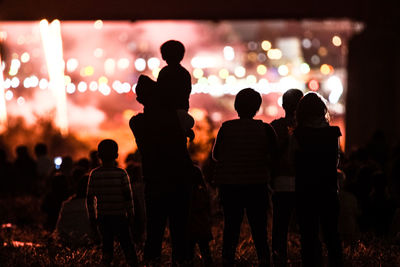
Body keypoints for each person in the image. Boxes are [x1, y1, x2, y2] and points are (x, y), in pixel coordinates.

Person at [130, 76, 194, 265]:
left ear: (140, 100)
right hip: (180, 177)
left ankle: (152, 261)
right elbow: (189, 122)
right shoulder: (179, 117)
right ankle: (181, 261)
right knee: (180, 228)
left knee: (154, 229)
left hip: (154, 178)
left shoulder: (137, 122)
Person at [212, 88, 278, 267]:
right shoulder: (265, 129)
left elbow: (216, 155)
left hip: (230, 185)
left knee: (231, 226)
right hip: (257, 184)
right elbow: (275, 155)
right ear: (257, 107)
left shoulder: (226, 128)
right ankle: (264, 259)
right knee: (259, 227)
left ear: (236, 107)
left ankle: (227, 259)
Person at [293, 92, 343, 267]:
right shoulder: (333, 133)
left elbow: (295, 162)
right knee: (332, 235)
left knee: (308, 236)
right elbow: (335, 161)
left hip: (305, 190)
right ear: (323, 111)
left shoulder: (298, 134)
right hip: (329, 189)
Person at [86, 139, 138, 267]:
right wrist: (131, 214)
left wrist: (93, 218)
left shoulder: (94, 174)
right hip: (120, 216)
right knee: (127, 245)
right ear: (116, 155)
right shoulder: (121, 174)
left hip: (103, 217)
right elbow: (128, 197)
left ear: (99, 156)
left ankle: (106, 263)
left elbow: (89, 198)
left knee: (107, 245)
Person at [270, 88, 303, 266]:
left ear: (283, 105)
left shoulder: (275, 127)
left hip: (280, 183)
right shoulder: (308, 129)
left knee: (280, 226)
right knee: (307, 226)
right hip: (305, 183)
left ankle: (278, 258)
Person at [55, 175, 95, 247]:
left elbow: (59, 229)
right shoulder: (94, 206)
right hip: (89, 244)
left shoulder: (67, 205)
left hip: (68, 244)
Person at [187, 164, 213, 266]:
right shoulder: (203, 192)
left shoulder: (187, 196)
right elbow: (208, 211)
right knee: (206, 252)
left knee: (189, 254)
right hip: (203, 227)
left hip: (191, 228)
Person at [157, 39, 192, 112]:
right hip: (181, 112)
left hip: (166, 112)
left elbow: (160, 92)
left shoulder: (165, 72)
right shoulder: (185, 73)